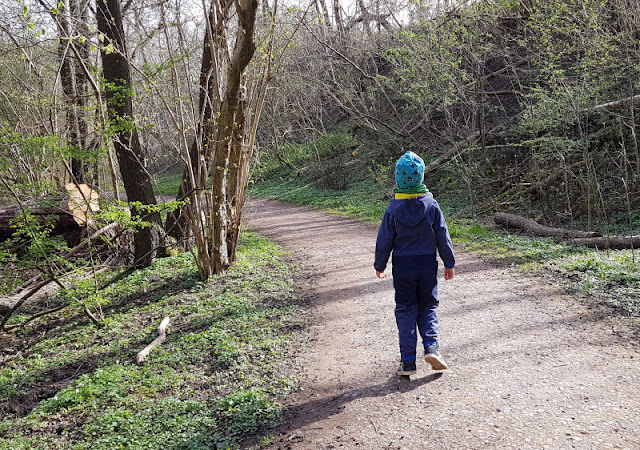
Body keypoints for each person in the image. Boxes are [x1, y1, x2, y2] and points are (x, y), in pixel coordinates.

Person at [374, 151, 455, 376]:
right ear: (421, 178)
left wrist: (379, 265)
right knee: (428, 306)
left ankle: (408, 361)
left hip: (403, 266)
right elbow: (442, 235)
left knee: (406, 309)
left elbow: (384, 240)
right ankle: (432, 347)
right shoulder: (432, 205)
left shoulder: (392, 209)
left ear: (398, 179)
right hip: (427, 265)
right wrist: (449, 262)